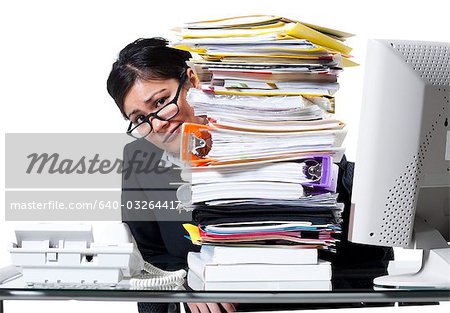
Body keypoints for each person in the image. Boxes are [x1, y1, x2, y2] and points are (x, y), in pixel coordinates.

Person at [107, 37, 393, 313]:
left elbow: (368, 249)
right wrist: (187, 281)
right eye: (139, 119)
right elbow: (147, 256)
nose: (156, 124)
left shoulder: (262, 127)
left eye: (160, 102)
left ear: (192, 81)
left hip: (312, 299)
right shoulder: (140, 160)